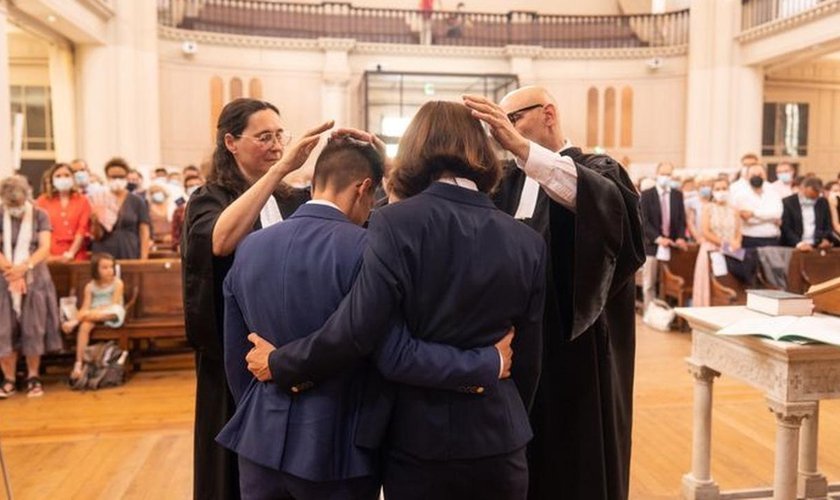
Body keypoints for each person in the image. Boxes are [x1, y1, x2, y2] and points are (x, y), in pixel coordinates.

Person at [246, 101, 546, 500]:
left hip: (418, 438)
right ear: (482, 150)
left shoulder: (392, 222)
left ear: (414, 150)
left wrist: (280, 363)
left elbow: (362, 333)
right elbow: (529, 359)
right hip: (501, 436)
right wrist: (491, 375)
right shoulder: (527, 240)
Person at [463, 87, 645, 500]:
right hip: (513, 349)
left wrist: (523, 149)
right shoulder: (504, 182)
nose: (502, 134)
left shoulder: (600, 169)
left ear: (548, 113)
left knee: (575, 462)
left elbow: (609, 217)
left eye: (513, 120)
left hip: (576, 350)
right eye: (498, 125)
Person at [181, 97, 331, 500]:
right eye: (264, 137)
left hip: (287, 351)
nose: (276, 145)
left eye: (280, 135)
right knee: (231, 470)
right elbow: (220, 241)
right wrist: (281, 169)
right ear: (231, 142)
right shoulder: (210, 197)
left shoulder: (292, 199)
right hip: (234, 356)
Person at [0, 176, 62, 398]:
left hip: (35, 278)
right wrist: (11, 270)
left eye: (18, 203)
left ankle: (33, 376)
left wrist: (25, 267)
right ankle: (8, 378)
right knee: (3, 329)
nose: (15, 208)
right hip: (4, 279)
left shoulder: (39, 214)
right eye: (11, 205)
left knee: (33, 327)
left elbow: (45, 247)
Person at [692, 178, 757, 306]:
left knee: (738, 276)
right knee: (715, 278)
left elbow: (738, 231)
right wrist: (723, 243)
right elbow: (705, 231)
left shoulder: (734, 209)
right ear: (713, 191)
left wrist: (737, 242)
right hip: (712, 248)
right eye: (717, 189)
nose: (721, 192)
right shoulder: (708, 208)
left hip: (732, 250)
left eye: (724, 188)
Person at [63, 252, 125, 382]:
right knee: (84, 325)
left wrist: (87, 314)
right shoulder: (90, 286)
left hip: (110, 312)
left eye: (111, 267)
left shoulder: (117, 283)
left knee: (90, 315)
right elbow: (86, 307)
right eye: (105, 268)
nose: (109, 271)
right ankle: (79, 363)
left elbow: (114, 303)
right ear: (96, 269)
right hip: (92, 314)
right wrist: (85, 313)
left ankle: (73, 322)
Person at [640, 162, 688, 309]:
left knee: (669, 281)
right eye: (663, 174)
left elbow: (681, 220)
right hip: (653, 245)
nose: (665, 177)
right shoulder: (647, 195)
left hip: (672, 245)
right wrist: (658, 238)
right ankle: (650, 312)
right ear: (657, 174)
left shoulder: (677, 195)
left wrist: (680, 237)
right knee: (649, 283)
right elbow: (644, 221)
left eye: (668, 174)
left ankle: (669, 311)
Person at [89, 157, 151, 260]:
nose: (117, 179)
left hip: (129, 250)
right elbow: (95, 234)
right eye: (113, 177)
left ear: (126, 177)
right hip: (104, 251)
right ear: (107, 177)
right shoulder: (99, 198)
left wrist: (144, 257)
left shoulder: (137, 201)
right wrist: (95, 222)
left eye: (121, 176)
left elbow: (144, 231)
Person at [35, 162, 92, 262]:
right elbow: (38, 229)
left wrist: (71, 253)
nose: (63, 178)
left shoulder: (82, 200)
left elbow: (82, 229)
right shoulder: (42, 201)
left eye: (67, 175)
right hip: (49, 253)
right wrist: (47, 255)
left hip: (76, 253)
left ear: (73, 178)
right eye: (58, 176)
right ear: (52, 180)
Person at [733, 163, 783, 248]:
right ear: (747, 177)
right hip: (749, 239)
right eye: (753, 175)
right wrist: (769, 218)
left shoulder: (773, 191)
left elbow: (777, 213)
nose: (757, 176)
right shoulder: (740, 194)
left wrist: (753, 213)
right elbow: (748, 220)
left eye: (760, 174)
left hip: (772, 239)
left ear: (765, 175)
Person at [780, 177, 833, 251]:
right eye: (809, 197)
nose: (811, 200)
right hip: (795, 246)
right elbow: (786, 228)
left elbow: (828, 225)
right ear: (802, 189)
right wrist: (799, 243)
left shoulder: (822, 202)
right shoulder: (788, 202)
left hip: (817, 246)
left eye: (814, 198)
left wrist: (826, 239)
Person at [171, 174, 204, 248]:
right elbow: (175, 236)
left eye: (197, 185)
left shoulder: (212, 205)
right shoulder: (179, 210)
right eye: (190, 186)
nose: (195, 188)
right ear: (185, 189)